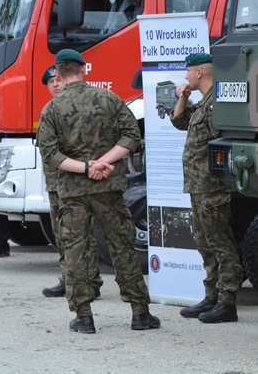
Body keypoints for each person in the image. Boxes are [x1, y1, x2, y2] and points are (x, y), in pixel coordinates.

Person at [37, 49, 159, 334]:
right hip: (109, 188)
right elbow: (132, 135)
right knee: (122, 249)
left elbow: (50, 154)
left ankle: (83, 317)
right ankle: (140, 314)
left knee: (75, 251)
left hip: (71, 192)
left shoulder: (52, 108)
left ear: (57, 74)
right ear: (84, 70)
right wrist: (103, 162)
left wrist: (85, 166)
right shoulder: (109, 99)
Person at [171, 52, 242, 324]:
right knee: (205, 244)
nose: (186, 77)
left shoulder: (220, 102)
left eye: (188, 72)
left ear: (199, 72)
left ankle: (227, 302)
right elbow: (178, 121)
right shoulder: (203, 103)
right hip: (197, 187)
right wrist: (183, 96)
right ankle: (211, 296)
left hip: (213, 188)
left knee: (221, 245)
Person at [39, 65, 103, 299]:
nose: (55, 85)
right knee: (61, 234)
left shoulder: (76, 109)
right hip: (55, 185)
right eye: (50, 83)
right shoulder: (49, 110)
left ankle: (90, 281)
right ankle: (69, 278)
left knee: (82, 235)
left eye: (57, 81)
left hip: (75, 183)